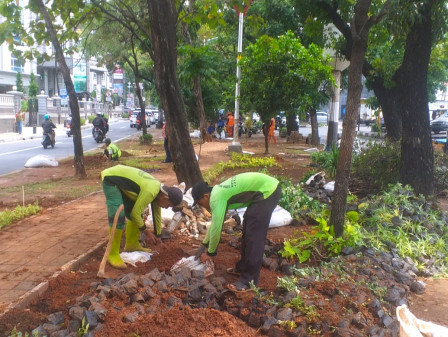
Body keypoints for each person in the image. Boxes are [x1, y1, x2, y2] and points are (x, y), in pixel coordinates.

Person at [192, 172, 282, 292]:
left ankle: (248, 281)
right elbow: (215, 224)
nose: (202, 206)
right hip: (264, 190)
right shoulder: (217, 193)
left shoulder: (216, 198)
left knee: (254, 235)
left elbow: (217, 228)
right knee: (248, 228)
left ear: (205, 196)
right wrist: (204, 245)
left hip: (268, 191)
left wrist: (210, 253)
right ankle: (243, 267)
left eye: (200, 203)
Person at [101, 165, 183, 269]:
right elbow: (135, 214)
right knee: (118, 218)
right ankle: (112, 254)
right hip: (111, 180)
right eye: (168, 205)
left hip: (123, 182)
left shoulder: (158, 193)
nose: (166, 208)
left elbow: (156, 214)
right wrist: (146, 232)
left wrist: (158, 236)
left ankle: (131, 244)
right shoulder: (150, 191)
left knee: (136, 214)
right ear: (165, 198)